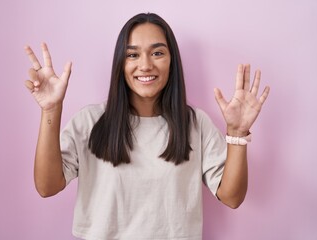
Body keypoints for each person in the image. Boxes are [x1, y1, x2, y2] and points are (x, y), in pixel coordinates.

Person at [24, 13, 269, 240]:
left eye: (157, 53)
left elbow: (232, 196)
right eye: (132, 55)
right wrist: (51, 109)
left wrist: (237, 133)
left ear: (172, 60)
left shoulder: (196, 123)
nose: (145, 65)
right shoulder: (89, 121)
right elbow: (47, 186)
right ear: (121, 63)